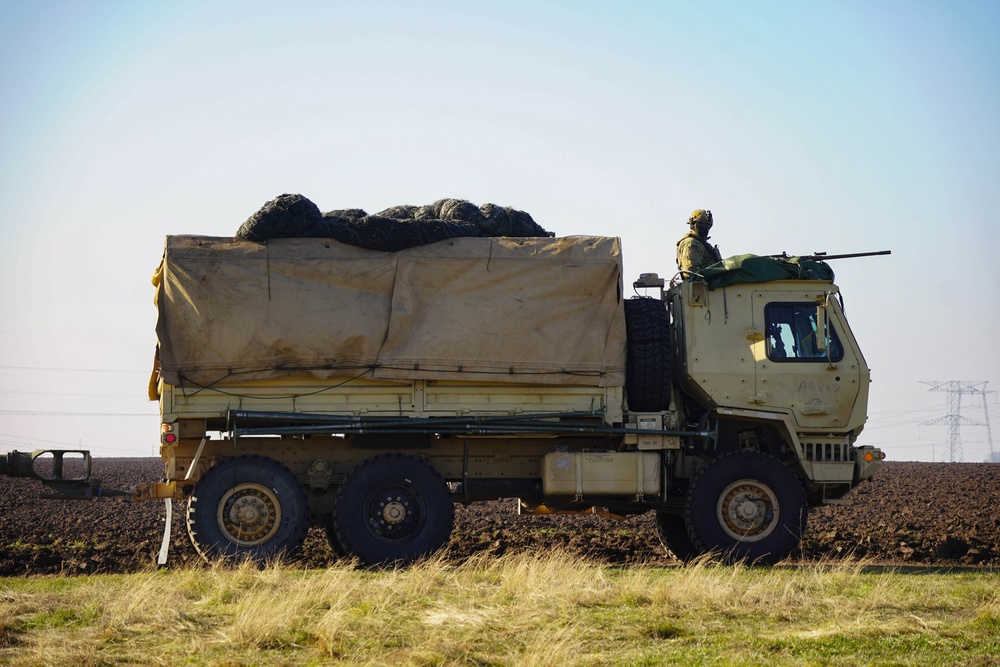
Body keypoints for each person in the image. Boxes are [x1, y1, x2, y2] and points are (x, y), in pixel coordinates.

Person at [676, 209, 722, 274]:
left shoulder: (704, 244)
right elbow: (690, 271)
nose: (705, 229)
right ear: (692, 225)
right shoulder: (691, 243)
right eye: (701, 226)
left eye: (707, 227)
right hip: (701, 283)